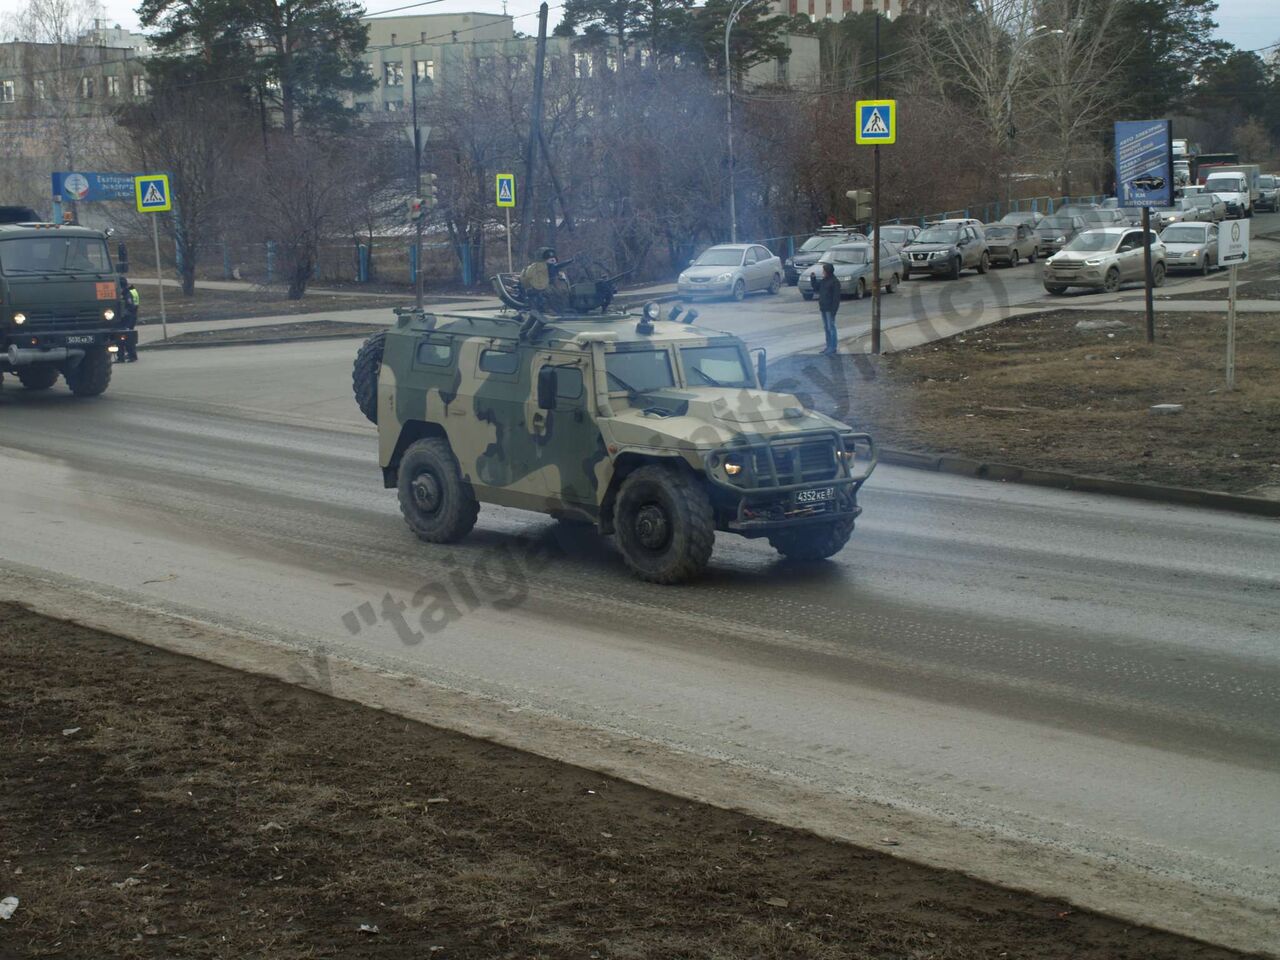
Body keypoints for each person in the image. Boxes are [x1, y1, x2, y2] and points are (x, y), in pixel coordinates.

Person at [814, 262, 841, 355]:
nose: (823, 272)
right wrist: (813, 279)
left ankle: (833, 347)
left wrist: (834, 310)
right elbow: (816, 288)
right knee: (826, 328)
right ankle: (828, 346)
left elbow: (836, 298)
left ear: (828, 271)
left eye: (824, 270)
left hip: (830, 309)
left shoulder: (834, 282)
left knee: (831, 327)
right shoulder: (824, 280)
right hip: (823, 308)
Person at [118, 283, 139, 362]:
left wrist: (124, 313)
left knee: (126, 336)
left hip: (128, 318)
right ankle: (130, 355)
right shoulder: (133, 290)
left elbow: (131, 306)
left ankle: (129, 355)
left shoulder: (127, 293)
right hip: (131, 317)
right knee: (128, 336)